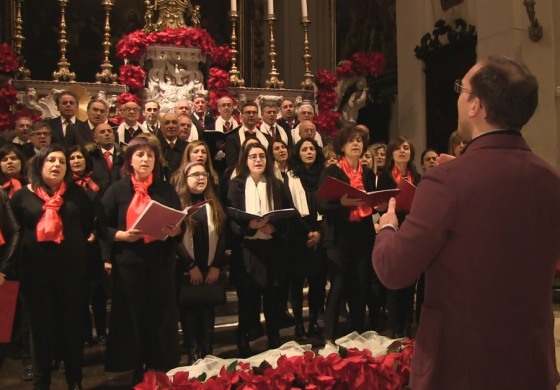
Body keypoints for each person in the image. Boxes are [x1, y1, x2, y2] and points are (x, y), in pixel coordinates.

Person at [372, 56, 560, 389]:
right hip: (531, 367)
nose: (457, 96)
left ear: (476, 105)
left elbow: (394, 270)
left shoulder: (446, 180)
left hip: (462, 369)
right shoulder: (550, 178)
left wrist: (387, 227)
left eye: (462, 89)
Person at [97, 136, 182, 385]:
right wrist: (120, 235)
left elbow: (179, 221)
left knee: (160, 315)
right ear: (130, 161)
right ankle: (134, 366)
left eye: (150, 155)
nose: (145, 159)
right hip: (129, 264)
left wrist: (176, 229)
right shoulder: (117, 190)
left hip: (161, 264)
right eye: (140, 155)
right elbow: (102, 225)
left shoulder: (165, 189)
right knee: (132, 317)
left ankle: (159, 366)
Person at [11, 144, 94, 390]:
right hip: (35, 277)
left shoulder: (77, 194)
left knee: (72, 329)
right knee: (40, 332)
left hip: (72, 275)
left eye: (62, 161)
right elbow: (13, 230)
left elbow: (87, 224)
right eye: (51, 160)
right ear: (40, 165)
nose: (57, 165)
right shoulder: (22, 196)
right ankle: (42, 382)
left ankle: (74, 379)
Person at [227, 142, 291, 357]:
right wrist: (248, 226)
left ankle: (274, 337)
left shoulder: (277, 184)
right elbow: (231, 217)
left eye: (262, 156)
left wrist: (275, 226)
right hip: (248, 249)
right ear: (245, 160)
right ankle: (244, 339)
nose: (258, 160)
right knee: (248, 299)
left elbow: (288, 213)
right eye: (253, 156)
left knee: (273, 297)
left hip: (272, 247)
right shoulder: (236, 184)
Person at [317, 126, 378, 343]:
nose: (356, 144)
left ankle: (359, 335)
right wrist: (341, 203)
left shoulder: (368, 172)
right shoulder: (331, 172)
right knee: (339, 285)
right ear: (342, 146)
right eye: (351, 141)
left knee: (361, 285)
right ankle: (329, 338)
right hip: (338, 237)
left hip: (362, 236)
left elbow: (371, 199)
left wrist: (377, 202)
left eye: (360, 141)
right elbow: (321, 204)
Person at [173, 161, 227, 364]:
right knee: (188, 312)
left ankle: (208, 351)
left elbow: (222, 237)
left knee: (207, 310)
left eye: (203, 174)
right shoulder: (179, 204)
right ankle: (193, 352)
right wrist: (190, 266)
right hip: (188, 269)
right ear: (185, 180)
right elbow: (175, 241)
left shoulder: (213, 203)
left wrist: (216, 266)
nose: (201, 177)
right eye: (195, 175)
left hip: (210, 266)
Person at [376, 136, 421, 338]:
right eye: (398, 148)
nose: (402, 151)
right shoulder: (385, 177)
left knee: (410, 281)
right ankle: (395, 330)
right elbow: (378, 203)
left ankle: (407, 327)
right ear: (392, 154)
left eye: (406, 147)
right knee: (396, 282)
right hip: (394, 229)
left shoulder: (417, 176)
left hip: (412, 229)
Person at [284, 138, 326, 339]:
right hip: (297, 235)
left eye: (312, 149)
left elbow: (329, 203)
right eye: (304, 149)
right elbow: (289, 206)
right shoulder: (290, 176)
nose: (309, 152)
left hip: (321, 233)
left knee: (318, 283)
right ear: (297, 153)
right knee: (296, 283)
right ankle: (299, 323)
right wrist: (307, 232)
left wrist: (319, 232)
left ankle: (314, 320)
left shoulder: (325, 175)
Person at [68, 145, 108, 348]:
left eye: (79, 158)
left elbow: (104, 214)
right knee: (79, 294)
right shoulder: (64, 187)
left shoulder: (98, 185)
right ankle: (85, 333)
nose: (76, 161)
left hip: (96, 246)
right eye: (72, 158)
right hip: (74, 247)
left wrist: (95, 231)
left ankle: (102, 331)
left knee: (98, 292)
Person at [0, 185, 21, 371]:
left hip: (2, 275)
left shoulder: (0, 193)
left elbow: (14, 231)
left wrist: (3, 268)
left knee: (1, 340)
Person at [225, 101, 271, 167]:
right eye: (248, 112)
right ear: (242, 115)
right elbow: (232, 163)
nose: (251, 115)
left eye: (254, 112)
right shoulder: (233, 138)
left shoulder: (267, 138)